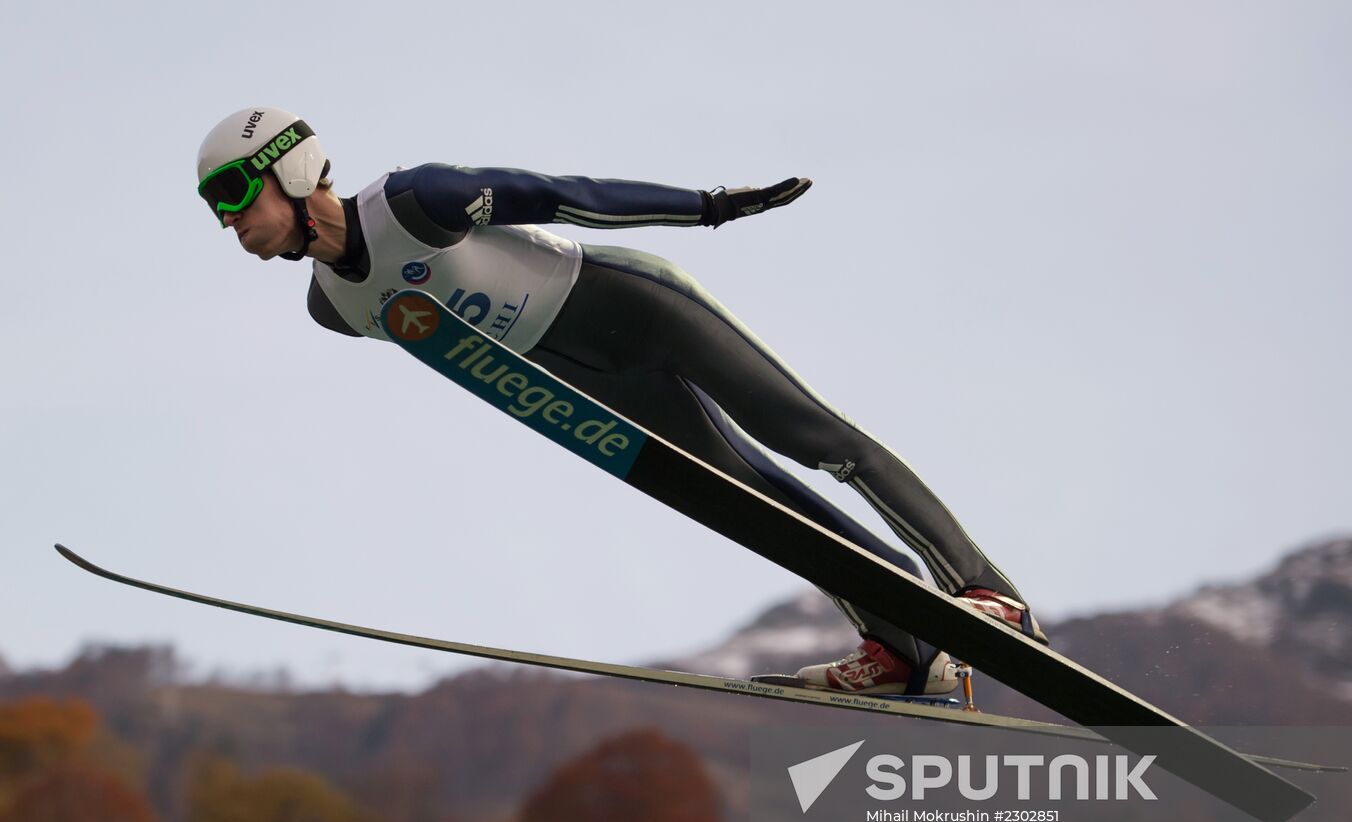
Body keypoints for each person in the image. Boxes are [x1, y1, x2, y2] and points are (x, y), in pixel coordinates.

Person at [195, 106, 1048, 697]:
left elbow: (567, 195)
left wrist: (707, 208)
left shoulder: (415, 202)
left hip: (637, 309)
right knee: (761, 509)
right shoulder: (331, 309)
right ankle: (900, 645)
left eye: (235, 193)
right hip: (592, 379)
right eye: (214, 209)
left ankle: (982, 590)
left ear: (292, 169)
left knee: (814, 439)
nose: (229, 221)